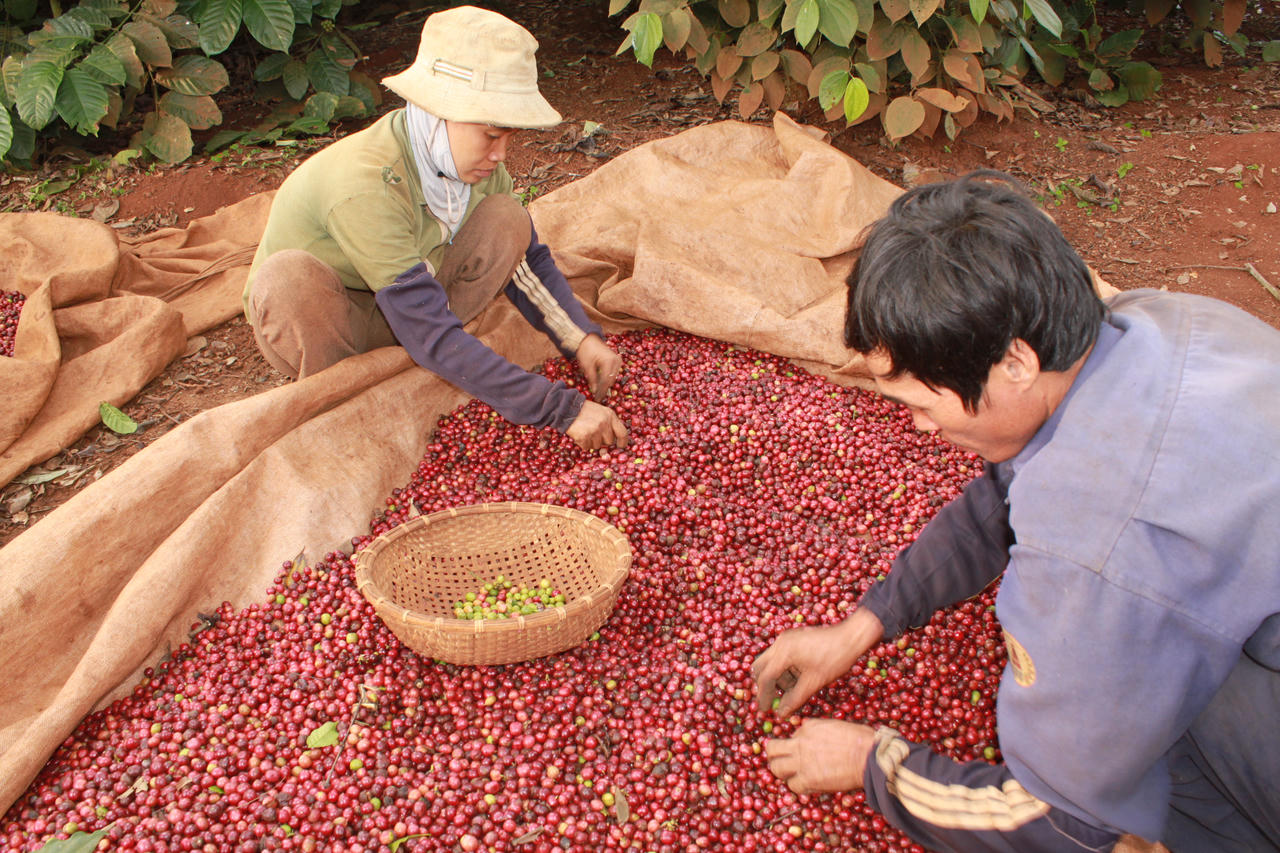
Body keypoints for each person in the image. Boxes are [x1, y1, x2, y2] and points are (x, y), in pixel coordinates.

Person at [752, 171, 1280, 852]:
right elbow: (1002, 498)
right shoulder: (1156, 322)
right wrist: (860, 628)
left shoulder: (1093, 540)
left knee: (1134, 773)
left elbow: (1058, 820)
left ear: (1015, 364)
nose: (916, 428)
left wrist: (875, 765)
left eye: (921, 403)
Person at [243, 6, 628, 451]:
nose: (501, 154)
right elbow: (426, 329)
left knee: (508, 215)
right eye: (489, 135)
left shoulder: (474, 167)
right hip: (333, 322)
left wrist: (581, 339)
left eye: (509, 137)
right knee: (288, 278)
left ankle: (440, 361)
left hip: (414, 306)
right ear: (437, 113)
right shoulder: (366, 184)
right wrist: (560, 408)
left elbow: (527, 259)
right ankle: (339, 395)